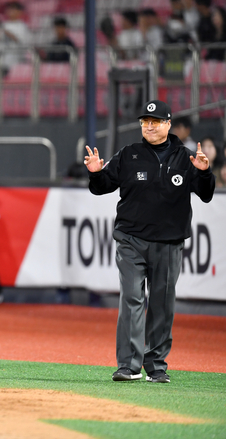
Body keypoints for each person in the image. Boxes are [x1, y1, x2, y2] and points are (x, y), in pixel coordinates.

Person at [84, 99, 214, 384]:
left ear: (168, 124)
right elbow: (102, 187)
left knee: (162, 304)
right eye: (145, 122)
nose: (149, 126)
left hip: (169, 242)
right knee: (131, 297)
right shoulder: (128, 154)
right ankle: (129, 365)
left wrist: (204, 172)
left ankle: (155, 365)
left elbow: (205, 194)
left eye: (155, 122)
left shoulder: (185, 157)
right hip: (131, 239)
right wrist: (95, 173)